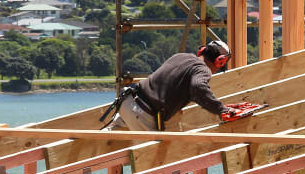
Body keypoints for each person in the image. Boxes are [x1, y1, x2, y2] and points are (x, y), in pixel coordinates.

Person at [102, 40, 238, 133]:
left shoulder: (181, 57)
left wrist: (176, 106)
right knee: (154, 167)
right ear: (220, 61)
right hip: (143, 114)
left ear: (202, 51)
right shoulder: (203, 70)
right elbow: (198, 88)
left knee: (105, 142)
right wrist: (221, 110)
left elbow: (169, 83)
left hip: (127, 102)